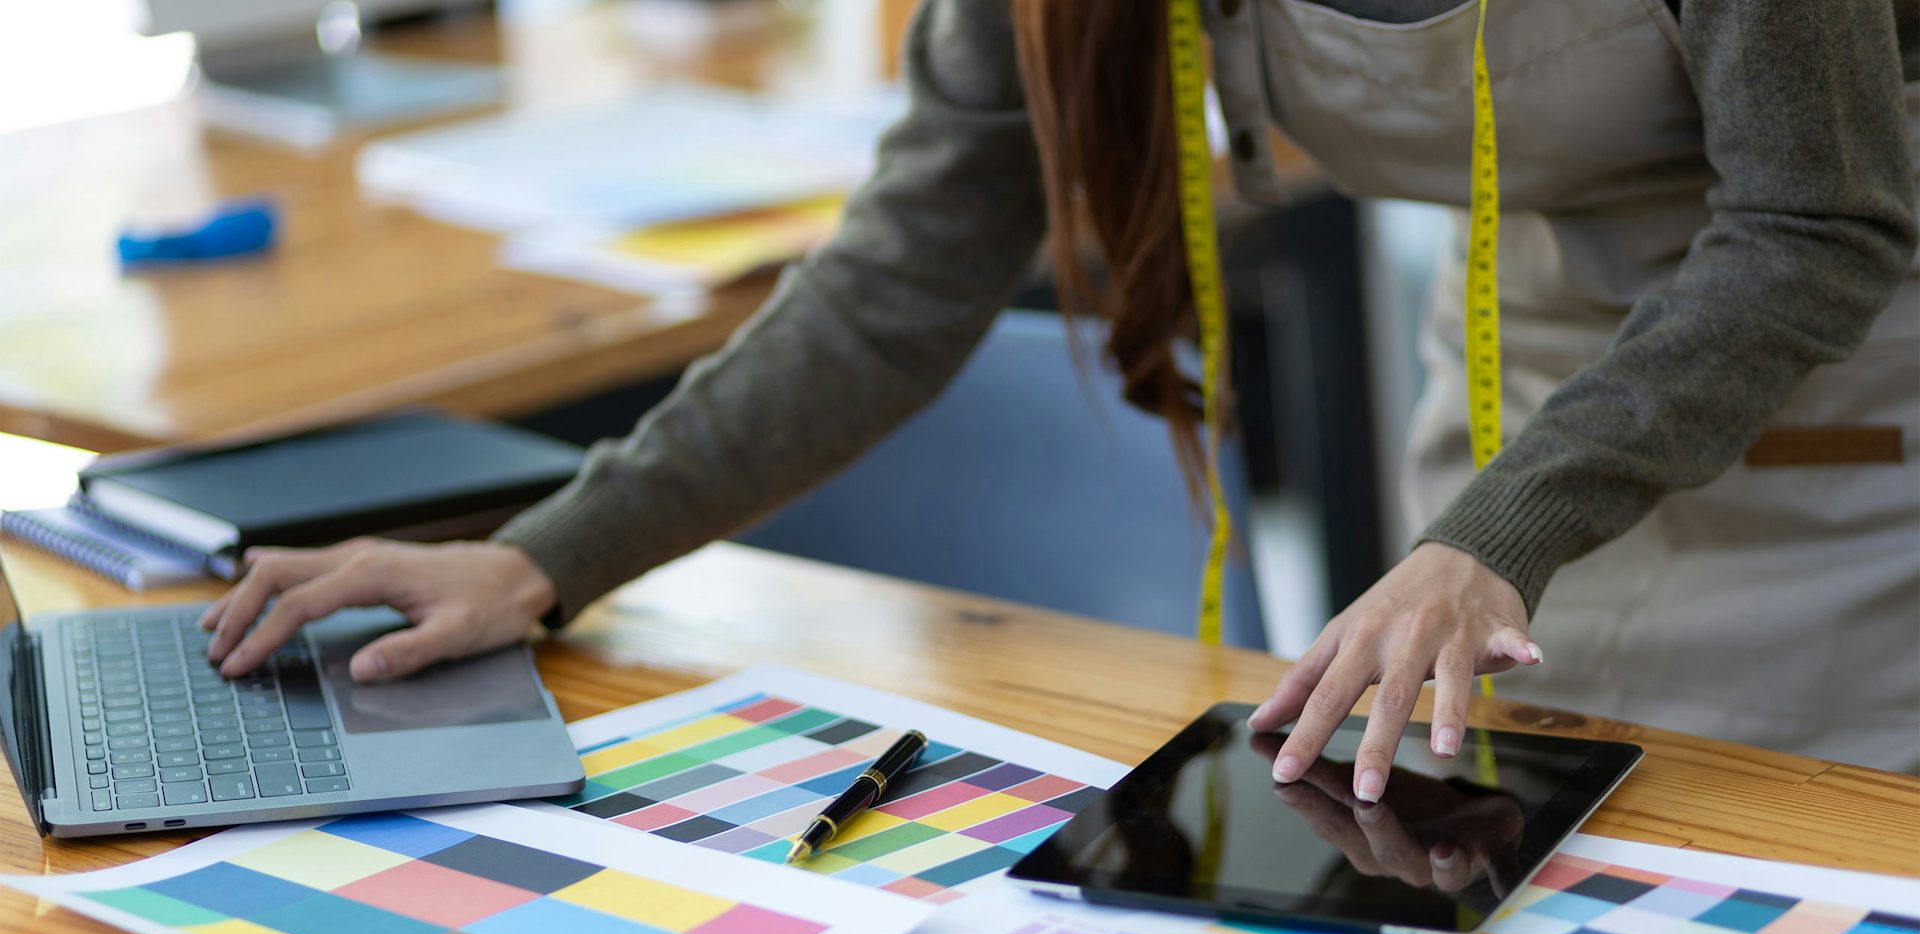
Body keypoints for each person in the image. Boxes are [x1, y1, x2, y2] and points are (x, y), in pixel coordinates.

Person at [201, 0, 1919, 800]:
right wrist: (552, 551)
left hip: (1870, 371)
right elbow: (899, 281)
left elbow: (1816, 219)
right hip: (1540, 389)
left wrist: (1500, 530)